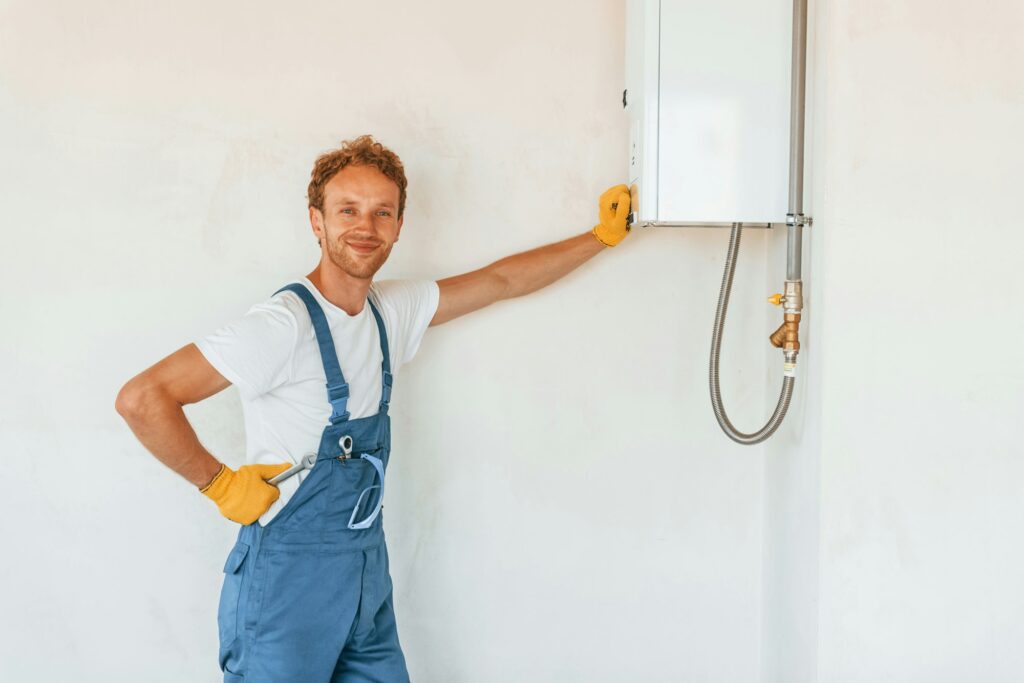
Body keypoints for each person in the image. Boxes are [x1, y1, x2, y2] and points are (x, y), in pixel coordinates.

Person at [115, 134, 632, 683]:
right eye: (348, 211)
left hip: (365, 574)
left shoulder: (390, 312)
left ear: (399, 226)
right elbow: (143, 398)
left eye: (382, 213)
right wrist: (218, 483)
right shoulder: (282, 325)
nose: (366, 227)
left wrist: (600, 238)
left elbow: (501, 280)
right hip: (286, 582)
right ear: (317, 221)